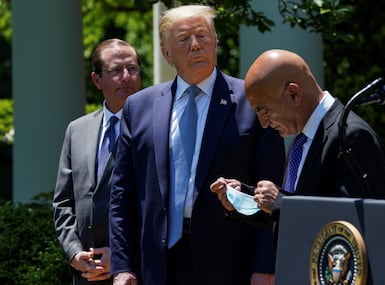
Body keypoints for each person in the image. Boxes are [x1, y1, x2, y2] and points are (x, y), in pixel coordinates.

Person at [109, 5, 286, 285]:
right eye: (183, 40)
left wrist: (266, 266)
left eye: (202, 36)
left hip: (231, 264)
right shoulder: (139, 107)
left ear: (215, 42)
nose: (195, 46)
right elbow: (122, 195)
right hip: (158, 265)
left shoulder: (251, 101)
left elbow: (273, 189)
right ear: (167, 53)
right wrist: (122, 267)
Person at [211, 49, 385, 229]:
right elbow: (294, 219)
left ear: (293, 94)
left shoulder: (351, 136)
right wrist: (246, 199)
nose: (263, 124)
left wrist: (282, 203)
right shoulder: (302, 139)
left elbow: (357, 224)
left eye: (265, 111)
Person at [53, 38, 141, 285]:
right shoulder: (76, 130)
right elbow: (63, 201)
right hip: (86, 273)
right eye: (115, 70)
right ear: (96, 80)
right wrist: (74, 254)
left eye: (132, 69)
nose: (126, 77)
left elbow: (159, 207)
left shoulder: (157, 127)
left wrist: (123, 256)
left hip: (135, 272)